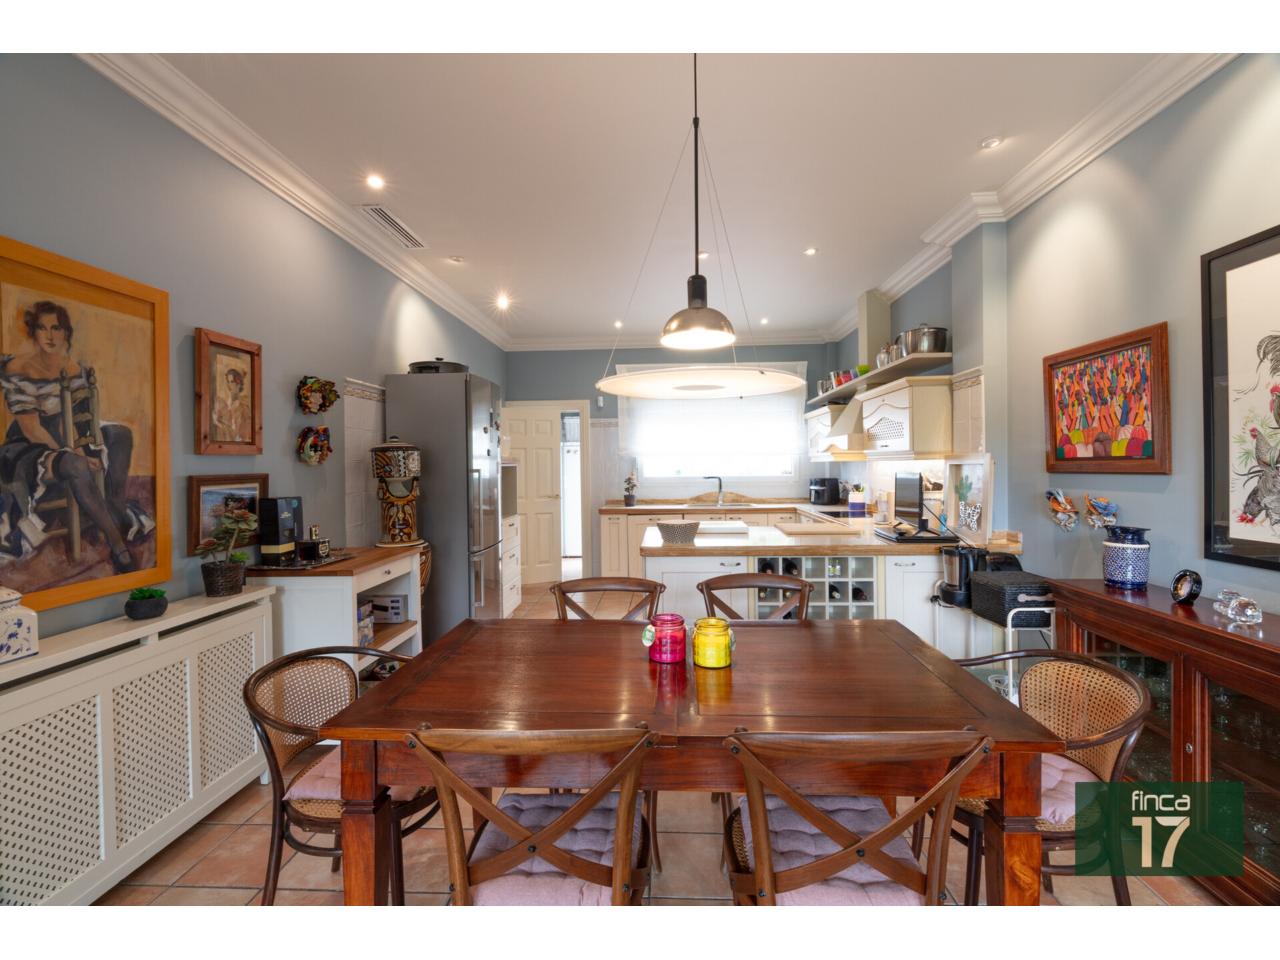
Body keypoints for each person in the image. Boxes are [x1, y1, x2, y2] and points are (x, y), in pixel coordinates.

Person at [0, 299, 153, 572]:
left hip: (66, 434)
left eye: (56, 328)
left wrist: (80, 448)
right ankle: (117, 543)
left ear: (66, 332)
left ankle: (115, 507)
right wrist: (73, 453)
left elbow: (72, 422)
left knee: (120, 434)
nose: (49, 335)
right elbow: (32, 428)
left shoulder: (74, 370)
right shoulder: (18, 370)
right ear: (34, 332)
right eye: (42, 328)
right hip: (29, 445)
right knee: (74, 464)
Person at [212, 366, 250, 442]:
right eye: (228, 381)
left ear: (239, 384)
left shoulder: (244, 408)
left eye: (232, 382)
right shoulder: (223, 403)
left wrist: (218, 423)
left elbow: (238, 436)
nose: (229, 385)